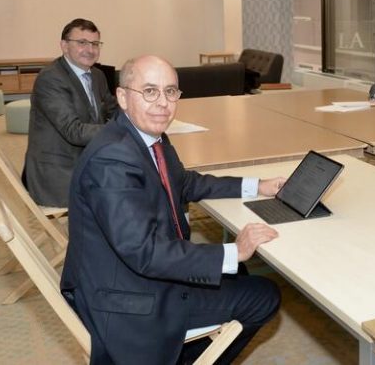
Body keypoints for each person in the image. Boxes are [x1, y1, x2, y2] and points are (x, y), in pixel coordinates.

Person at [60, 55, 284, 364]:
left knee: (237, 272)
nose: (163, 103)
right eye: (150, 91)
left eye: (170, 91)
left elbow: (184, 183)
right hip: (128, 298)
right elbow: (145, 252)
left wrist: (257, 186)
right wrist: (234, 250)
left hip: (128, 273)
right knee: (263, 295)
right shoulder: (112, 159)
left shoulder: (145, 137)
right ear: (123, 97)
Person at [24, 18, 118, 207]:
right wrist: (122, 129)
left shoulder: (97, 75)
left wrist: (138, 117)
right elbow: (74, 131)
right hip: (59, 172)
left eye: (95, 44)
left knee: (138, 177)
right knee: (126, 191)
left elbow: (112, 108)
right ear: (64, 46)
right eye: (82, 42)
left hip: (89, 158)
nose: (90, 49)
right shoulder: (50, 78)